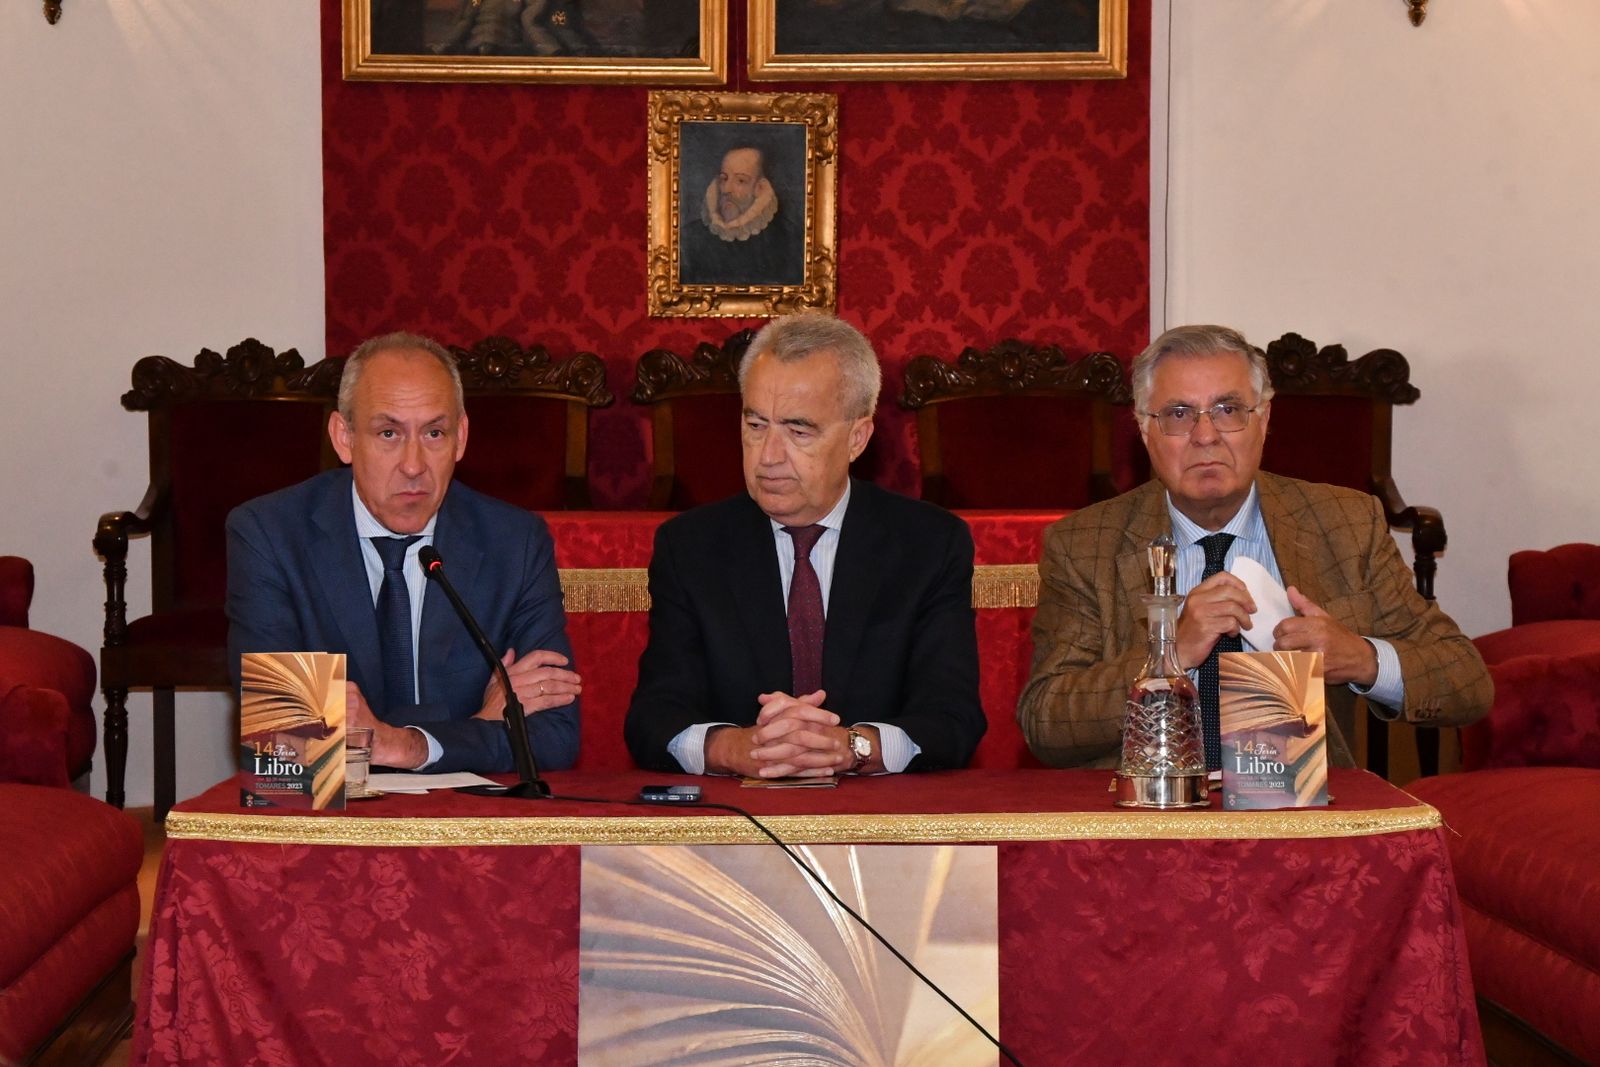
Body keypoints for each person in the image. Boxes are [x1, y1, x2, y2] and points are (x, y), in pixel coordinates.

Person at [1017, 324, 1491, 769]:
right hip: (1148, 812)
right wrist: (1168, 656)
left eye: (1228, 410)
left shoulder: (1346, 524)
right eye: (1179, 414)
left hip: (1303, 814)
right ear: (1145, 431)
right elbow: (1045, 720)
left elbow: (1467, 682)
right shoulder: (1085, 544)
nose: (1206, 436)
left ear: (1263, 420)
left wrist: (1362, 659)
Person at [625, 312, 986, 777]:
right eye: (756, 426)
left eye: (798, 431)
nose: (769, 456)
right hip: (739, 810)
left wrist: (851, 747)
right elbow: (653, 718)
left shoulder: (928, 544)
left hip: (878, 812)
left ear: (857, 438)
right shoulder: (691, 547)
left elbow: (953, 719)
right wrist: (736, 748)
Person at [226, 332, 581, 774]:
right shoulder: (271, 535)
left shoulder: (514, 542)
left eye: (434, 433)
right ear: (343, 437)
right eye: (389, 433)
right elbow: (280, 745)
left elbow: (555, 738)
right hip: (336, 813)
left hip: (467, 812)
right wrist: (478, 726)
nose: (414, 465)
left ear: (461, 438)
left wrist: (402, 745)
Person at [679, 146, 803, 287]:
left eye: (741, 181)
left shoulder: (790, 240)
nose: (726, 189)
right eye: (724, 179)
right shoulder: (689, 237)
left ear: (759, 188)